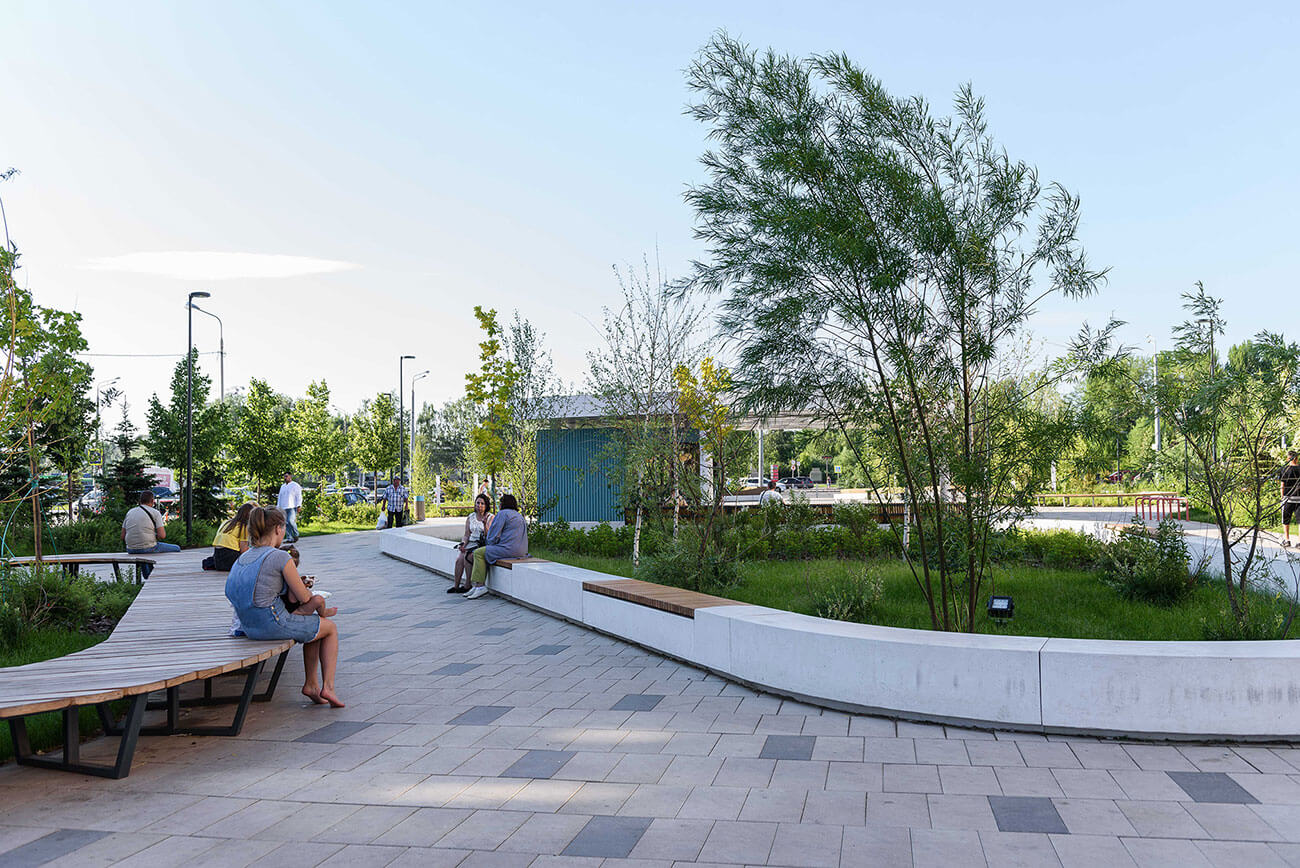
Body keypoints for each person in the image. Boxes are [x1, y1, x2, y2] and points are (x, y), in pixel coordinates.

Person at [225, 506, 344, 707]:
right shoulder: (280, 556)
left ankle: (312, 685)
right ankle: (328, 687)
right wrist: (308, 591)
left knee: (314, 625)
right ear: (278, 529)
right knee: (330, 628)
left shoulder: (243, 557)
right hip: (271, 623)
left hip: (248, 626)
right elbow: (304, 597)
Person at [465, 493, 527, 600]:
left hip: (508, 550)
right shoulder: (519, 515)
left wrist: (488, 544)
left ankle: (479, 586)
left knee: (478, 553)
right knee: (485, 552)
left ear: (504, 503)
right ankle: (476, 586)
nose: (499, 505)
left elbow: (493, 536)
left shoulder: (502, 514)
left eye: (501, 502)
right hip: (521, 551)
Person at [122, 490, 180, 580]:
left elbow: (122, 536)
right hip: (148, 547)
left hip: (131, 549)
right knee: (176, 548)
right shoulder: (155, 512)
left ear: (140, 501)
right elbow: (162, 536)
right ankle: (165, 574)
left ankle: (149, 576)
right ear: (152, 501)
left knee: (144, 551)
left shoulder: (130, 512)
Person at [450, 493, 493, 593]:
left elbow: (489, 536)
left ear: (486, 505)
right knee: (459, 559)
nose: (479, 505)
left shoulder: (490, 517)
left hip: (482, 544)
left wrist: (485, 524)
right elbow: (467, 534)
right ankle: (456, 586)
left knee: (467, 557)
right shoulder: (471, 517)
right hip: (471, 543)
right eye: (477, 503)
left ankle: (467, 584)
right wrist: (463, 544)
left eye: (482, 503)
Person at [205, 501, 256, 571]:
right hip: (230, 556)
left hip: (218, 557)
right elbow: (244, 550)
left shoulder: (226, 522)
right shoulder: (244, 526)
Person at [277, 472, 303, 543]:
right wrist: (278, 507)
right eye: (284, 476)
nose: (285, 478)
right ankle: (289, 538)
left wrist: (299, 505)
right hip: (283, 507)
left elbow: (299, 496)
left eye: (286, 476)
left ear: (290, 477)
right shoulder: (283, 486)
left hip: (292, 506)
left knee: (291, 521)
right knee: (286, 523)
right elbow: (280, 497)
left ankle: (296, 534)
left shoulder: (295, 485)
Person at [1282, 451, 1300, 547]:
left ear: (1288, 458)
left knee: (1286, 519)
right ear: (1296, 458)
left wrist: (1282, 497)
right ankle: (1299, 542)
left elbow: (1282, 485)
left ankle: (1287, 540)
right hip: (1299, 498)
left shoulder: (1285, 470)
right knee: (1299, 521)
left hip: (1288, 498)